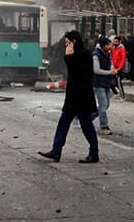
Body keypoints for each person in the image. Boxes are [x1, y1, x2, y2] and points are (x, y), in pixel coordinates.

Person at [38, 31, 99, 164]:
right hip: (72, 97)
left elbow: (77, 73)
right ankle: (56, 150)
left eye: (68, 43)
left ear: (74, 42)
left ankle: (94, 153)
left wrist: (69, 57)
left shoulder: (85, 54)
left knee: (86, 126)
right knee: (63, 124)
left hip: (82, 97)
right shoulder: (76, 54)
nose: (66, 45)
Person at [92, 36, 117, 135]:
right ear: (104, 46)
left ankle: (87, 117)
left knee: (106, 105)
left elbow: (110, 64)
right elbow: (96, 70)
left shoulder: (107, 54)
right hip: (98, 83)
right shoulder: (96, 55)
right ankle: (104, 126)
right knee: (103, 104)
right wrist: (109, 72)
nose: (110, 46)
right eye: (108, 45)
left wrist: (112, 68)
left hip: (106, 82)